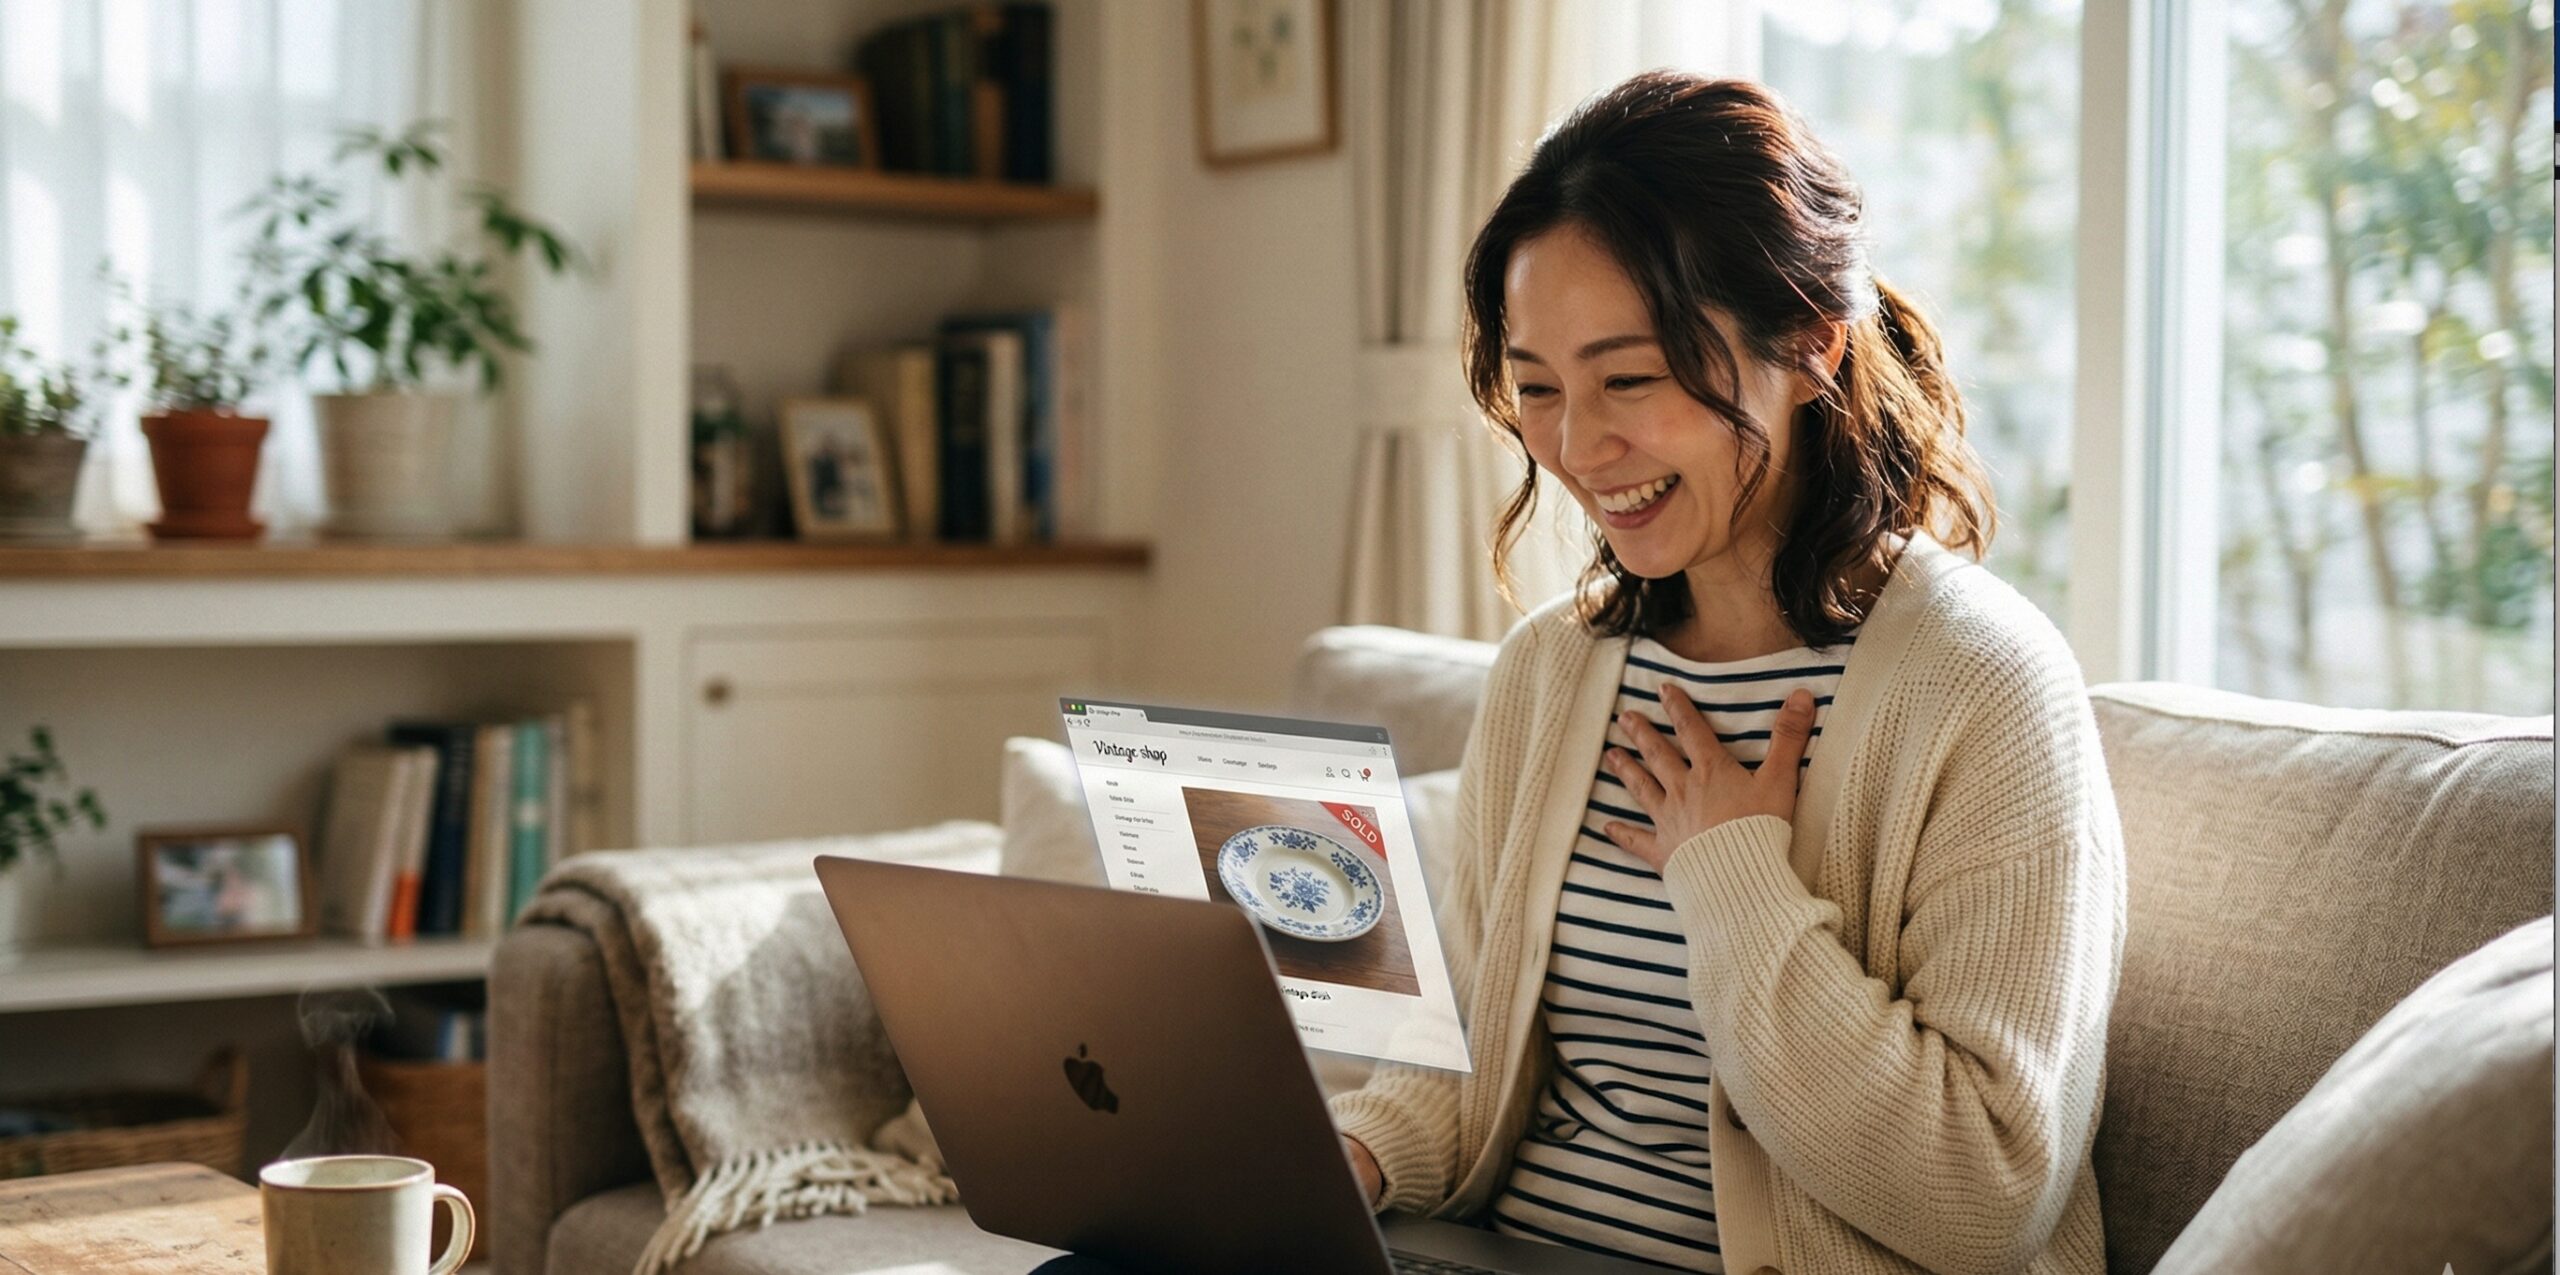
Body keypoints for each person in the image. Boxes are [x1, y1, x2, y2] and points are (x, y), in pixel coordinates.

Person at [1321, 71, 2128, 1275]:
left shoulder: (1982, 686)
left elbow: (1983, 1194)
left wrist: (1733, 878)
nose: (1578, 448)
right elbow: (1468, 1068)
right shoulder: (1551, 671)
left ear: (1807, 343)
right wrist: (1348, 1157)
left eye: (1629, 379)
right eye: (1537, 387)